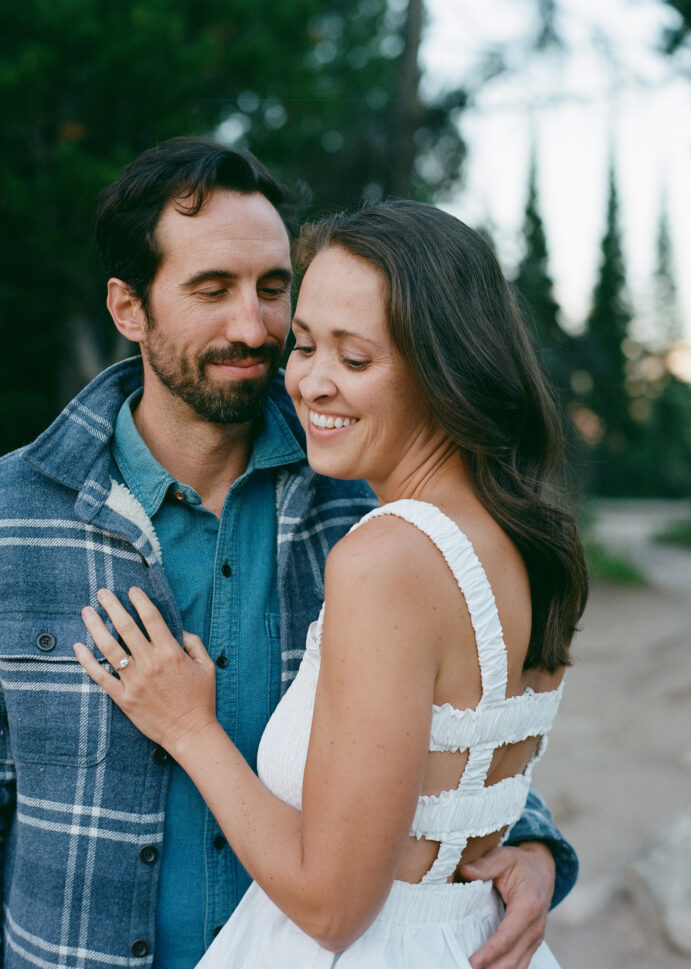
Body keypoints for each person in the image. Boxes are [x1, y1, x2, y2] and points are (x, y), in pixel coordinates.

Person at [0, 138, 576, 969]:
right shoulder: (16, 515)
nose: (254, 326)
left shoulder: (367, 499)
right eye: (212, 289)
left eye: (273, 288)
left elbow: (447, 731)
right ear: (129, 309)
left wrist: (535, 848)